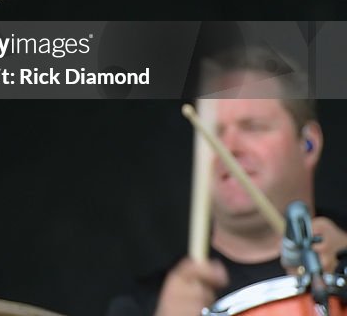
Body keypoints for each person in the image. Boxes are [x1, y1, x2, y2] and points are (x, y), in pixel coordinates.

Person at [105, 45, 347, 316]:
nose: (229, 147)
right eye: (213, 133)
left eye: (252, 126)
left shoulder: (344, 251)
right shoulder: (143, 306)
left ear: (308, 144)